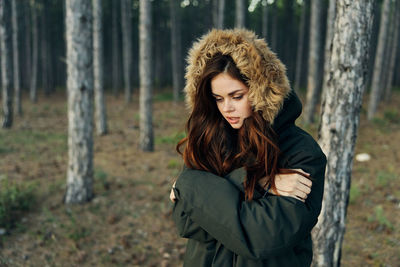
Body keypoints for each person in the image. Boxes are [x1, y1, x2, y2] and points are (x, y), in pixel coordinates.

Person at [170, 29, 327, 267]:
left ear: (260, 91)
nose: (227, 108)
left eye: (237, 96)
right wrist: (258, 181)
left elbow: (260, 237)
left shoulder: (302, 153)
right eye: (218, 98)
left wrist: (189, 187)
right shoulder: (209, 140)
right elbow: (184, 221)